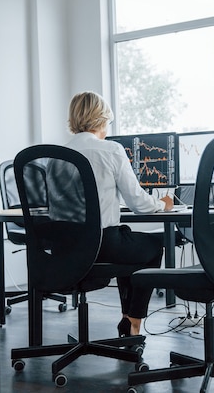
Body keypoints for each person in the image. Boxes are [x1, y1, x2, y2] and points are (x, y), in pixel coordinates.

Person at [60, 91, 173, 337]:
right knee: (153, 245)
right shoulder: (110, 150)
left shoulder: (56, 156)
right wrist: (162, 203)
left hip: (65, 250)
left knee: (128, 241)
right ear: (102, 119)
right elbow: (138, 204)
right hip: (103, 245)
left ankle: (128, 318)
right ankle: (132, 319)